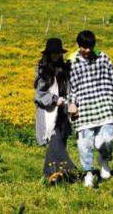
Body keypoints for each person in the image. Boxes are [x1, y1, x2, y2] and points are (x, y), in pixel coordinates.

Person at [67, 30, 113, 188]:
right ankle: (88, 173)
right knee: (84, 144)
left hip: (104, 106)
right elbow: (70, 87)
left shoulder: (103, 58)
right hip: (84, 109)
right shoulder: (72, 62)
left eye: (90, 47)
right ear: (78, 46)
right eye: (84, 47)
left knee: (106, 141)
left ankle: (104, 160)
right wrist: (72, 104)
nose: (87, 50)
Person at [34, 38, 76, 179]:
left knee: (59, 141)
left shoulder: (66, 68)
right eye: (53, 53)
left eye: (58, 53)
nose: (56, 55)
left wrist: (71, 103)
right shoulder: (42, 70)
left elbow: (71, 89)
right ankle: (68, 169)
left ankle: (54, 174)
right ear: (48, 54)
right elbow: (39, 95)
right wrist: (54, 99)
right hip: (49, 112)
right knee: (55, 138)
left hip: (63, 111)